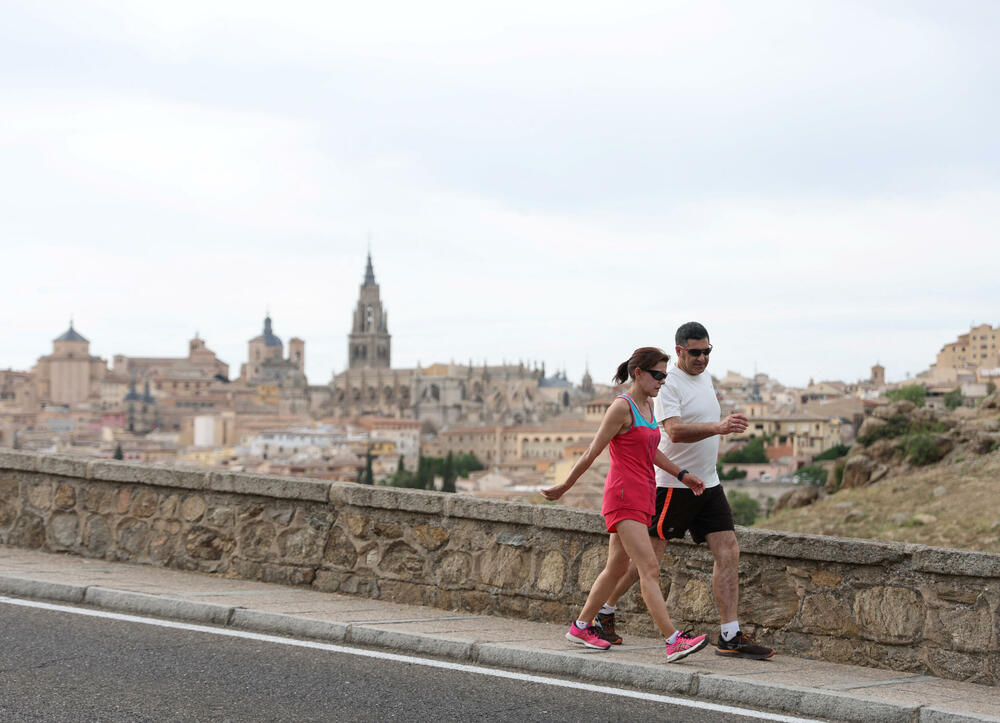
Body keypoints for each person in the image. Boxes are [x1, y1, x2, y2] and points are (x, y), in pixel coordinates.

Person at [594, 323, 775, 660]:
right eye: (695, 352)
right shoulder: (667, 382)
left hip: (708, 483)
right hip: (672, 485)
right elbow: (674, 431)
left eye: (707, 351)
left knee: (728, 550)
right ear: (680, 351)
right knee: (646, 562)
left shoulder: (705, 378)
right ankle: (603, 612)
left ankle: (730, 635)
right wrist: (719, 428)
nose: (702, 358)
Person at [542, 347, 709, 663]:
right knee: (649, 567)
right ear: (639, 373)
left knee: (616, 567)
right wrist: (565, 486)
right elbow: (592, 451)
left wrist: (682, 475)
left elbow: (651, 450)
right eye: (657, 375)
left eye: (664, 376)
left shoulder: (648, 405)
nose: (662, 381)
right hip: (623, 496)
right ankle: (673, 640)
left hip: (643, 495)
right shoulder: (621, 407)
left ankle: (580, 627)